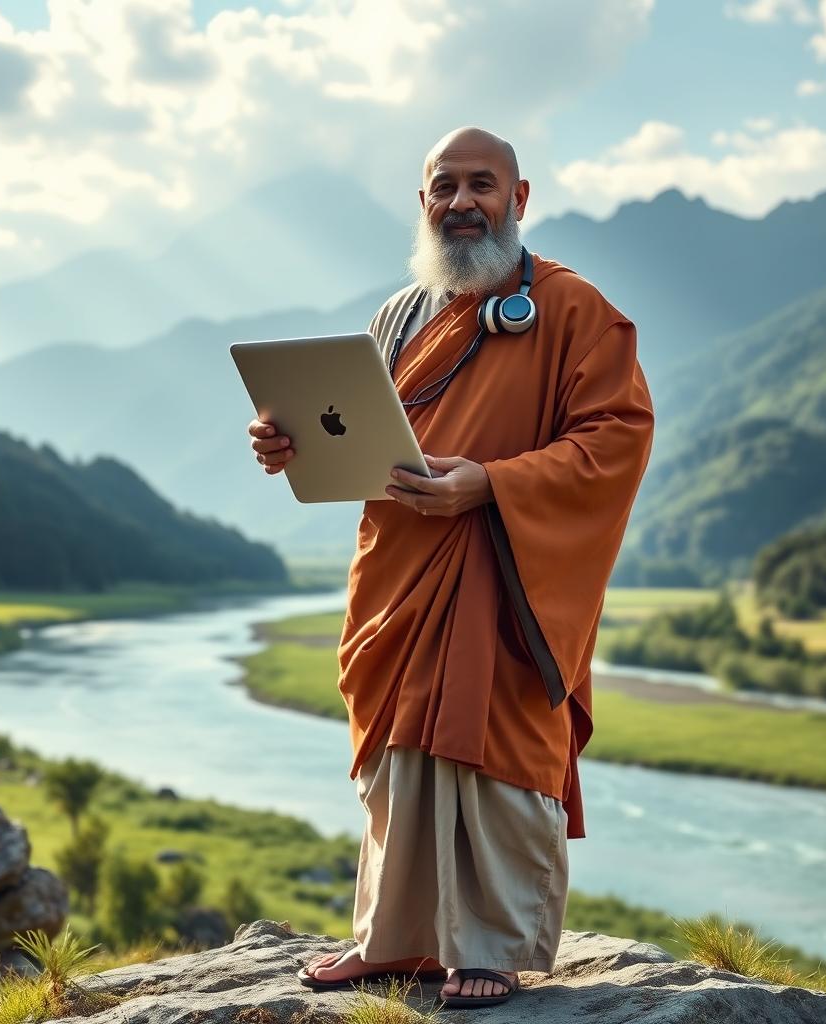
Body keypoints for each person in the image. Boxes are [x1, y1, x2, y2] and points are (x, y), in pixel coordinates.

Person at [247, 126, 655, 1008]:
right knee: (399, 759)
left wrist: (492, 487)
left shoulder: (574, 310)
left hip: (509, 576)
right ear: (423, 201)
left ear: (520, 198)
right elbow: (355, 441)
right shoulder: (396, 318)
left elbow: (616, 440)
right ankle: (391, 941)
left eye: (482, 184)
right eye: (445, 186)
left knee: (494, 749)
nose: (462, 202)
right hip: (398, 576)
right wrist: (289, 445)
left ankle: (490, 947)